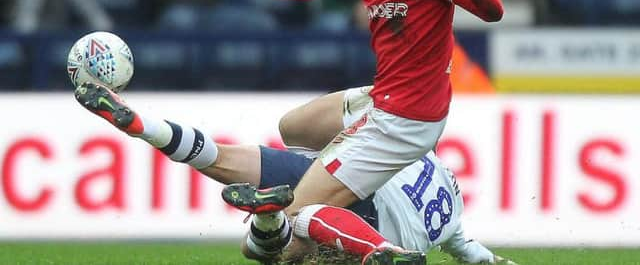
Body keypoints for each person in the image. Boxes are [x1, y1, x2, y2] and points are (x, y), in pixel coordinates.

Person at [176, 0, 503, 264]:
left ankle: (378, 246)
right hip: (381, 99)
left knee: (295, 221)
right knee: (294, 128)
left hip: (405, 120)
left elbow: (488, 9)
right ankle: (338, 186)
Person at [73, 81, 516, 264]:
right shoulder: (453, 207)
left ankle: (144, 127)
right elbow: (469, 252)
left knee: (227, 161)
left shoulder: (397, 142)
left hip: (347, 171)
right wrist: (499, 261)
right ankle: (373, 249)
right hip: (370, 218)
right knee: (294, 231)